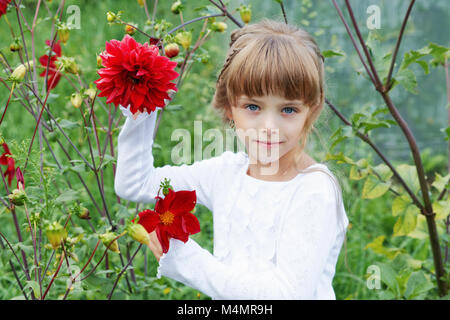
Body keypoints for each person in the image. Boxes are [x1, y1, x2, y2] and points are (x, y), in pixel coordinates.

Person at [114, 18, 349, 300]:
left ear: (311, 109)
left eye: (288, 109)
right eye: (253, 106)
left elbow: (288, 295)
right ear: (229, 107)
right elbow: (137, 184)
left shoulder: (313, 190)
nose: (269, 126)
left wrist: (187, 260)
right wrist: (143, 107)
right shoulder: (227, 173)